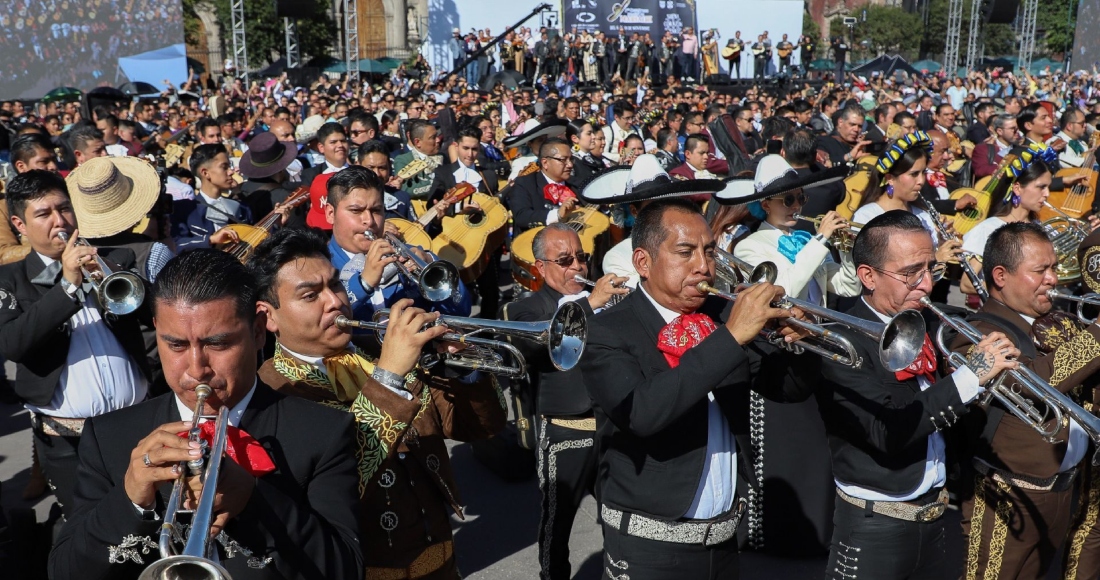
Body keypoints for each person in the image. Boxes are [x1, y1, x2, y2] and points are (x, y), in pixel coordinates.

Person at [48, 249, 363, 579]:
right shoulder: (110, 435)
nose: (197, 369)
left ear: (258, 330)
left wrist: (257, 500)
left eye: (218, 344)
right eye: (177, 345)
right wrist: (130, 501)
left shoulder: (323, 431)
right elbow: (66, 572)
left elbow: (346, 570)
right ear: (156, 329)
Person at [249, 227, 505, 579]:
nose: (335, 301)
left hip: (443, 562)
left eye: (336, 284)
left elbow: (478, 427)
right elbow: (345, 478)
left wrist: (462, 367)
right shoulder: (272, 393)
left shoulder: (375, 348)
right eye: (311, 296)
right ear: (268, 317)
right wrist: (389, 377)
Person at [581, 197, 815, 578]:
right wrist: (730, 338)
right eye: (685, 252)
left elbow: (787, 388)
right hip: (648, 548)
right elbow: (641, 413)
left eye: (709, 251)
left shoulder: (719, 316)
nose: (703, 266)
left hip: (723, 543)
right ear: (643, 262)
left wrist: (800, 345)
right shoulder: (606, 330)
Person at [817, 210, 1019, 579]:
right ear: (868, 276)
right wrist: (969, 378)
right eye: (911, 273)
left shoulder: (925, 321)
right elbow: (887, 430)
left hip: (936, 518)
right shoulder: (839, 340)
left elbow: (943, 411)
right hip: (875, 526)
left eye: (931, 269)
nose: (926, 285)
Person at [0, 169, 154, 519]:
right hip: (67, 440)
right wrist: (67, 286)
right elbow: (12, 344)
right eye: (43, 214)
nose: (60, 221)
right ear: (19, 225)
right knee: (89, 529)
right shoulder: (10, 279)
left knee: (149, 516)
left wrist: (112, 274)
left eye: (64, 208)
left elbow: (155, 317)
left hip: (137, 423)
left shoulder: (117, 259)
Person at [952, 222, 1100, 579]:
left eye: (1053, 267)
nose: (1053, 278)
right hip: (1006, 498)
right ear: (1000, 276)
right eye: (1040, 270)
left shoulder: (1058, 321)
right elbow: (1032, 382)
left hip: (1063, 493)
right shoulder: (975, 331)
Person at [726, 155, 856, 555]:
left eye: (800, 198)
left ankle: (815, 534)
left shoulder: (807, 239)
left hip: (816, 345)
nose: (797, 208)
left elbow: (846, 287)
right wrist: (819, 243)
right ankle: (772, 536)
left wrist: (846, 249)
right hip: (777, 350)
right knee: (785, 447)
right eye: (788, 201)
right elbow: (781, 292)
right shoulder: (750, 245)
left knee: (818, 446)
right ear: (765, 205)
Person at [505, 223, 627, 580]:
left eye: (581, 257)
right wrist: (589, 305)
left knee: (620, 516)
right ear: (541, 267)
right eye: (564, 260)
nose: (577, 267)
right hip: (564, 427)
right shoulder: (524, 308)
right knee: (557, 521)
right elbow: (533, 345)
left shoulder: (605, 298)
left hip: (611, 424)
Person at [325, 165, 471, 322]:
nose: (369, 221)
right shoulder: (319, 264)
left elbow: (461, 309)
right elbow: (321, 322)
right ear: (330, 214)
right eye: (356, 211)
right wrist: (363, 284)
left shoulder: (410, 254)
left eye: (376, 210)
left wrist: (429, 262)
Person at [171, 144, 251, 252]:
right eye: (224, 167)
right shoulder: (185, 209)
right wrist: (210, 240)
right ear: (205, 173)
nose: (231, 171)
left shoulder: (241, 207)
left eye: (230, 166)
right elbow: (176, 245)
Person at [511, 139, 580, 235]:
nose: (570, 165)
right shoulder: (524, 183)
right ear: (545, 163)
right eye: (563, 160)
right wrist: (557, 214)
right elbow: (522, 216)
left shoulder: (577, 184)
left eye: (571, 159)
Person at [357, 140, 417, 221]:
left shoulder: (402, 198)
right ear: (358, 166)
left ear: (389, 168)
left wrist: (435, 224)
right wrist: (378, 229)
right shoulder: (347, 197)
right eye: (371, 168)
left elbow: (417, 230)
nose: (377, 173)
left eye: (382, 168)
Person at [393, 119, 444, 200]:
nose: (438, 140)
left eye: (437, 136)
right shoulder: (404, 160)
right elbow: (405, 189)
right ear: (418, 142)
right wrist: (439, 185)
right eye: (433, 138)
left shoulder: (444, 158)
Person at [971, 114, 1020, 179]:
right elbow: (980, 170)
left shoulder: (1021, 148)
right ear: (1000, 131)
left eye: (1018, 128)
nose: (1017, 131)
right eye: (1013, 128)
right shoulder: (983, 149)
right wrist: (1002, 168)